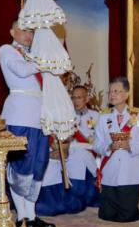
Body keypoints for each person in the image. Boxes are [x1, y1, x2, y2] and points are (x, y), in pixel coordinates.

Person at [0, 21, 57, 227]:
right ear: (12, 31)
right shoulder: (7, 50)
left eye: (31, 31)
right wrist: (46, 61)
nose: (28, 35)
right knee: (21, 164)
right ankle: (21, 215)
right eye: (23, 30)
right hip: (20, 114)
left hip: (40, 114)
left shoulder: (34, 53)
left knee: (39, 164)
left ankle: (31, 215)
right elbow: (22, 71)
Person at [93, 77, 139, 222]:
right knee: (106, 215)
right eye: (110, 91)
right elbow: (96, 143)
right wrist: (108, 147)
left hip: (130, 170)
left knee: (128, 216)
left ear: (126, 94)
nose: (112, 95)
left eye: (116, 91)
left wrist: (130, 146)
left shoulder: (138, 114)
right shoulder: (103, 116)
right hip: (110, 170)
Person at [35, 85, 101, 216]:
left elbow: (99, 139)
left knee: (79, 157)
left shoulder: (96, 116)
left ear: (87, 98)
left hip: (87, 151)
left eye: (79, 97)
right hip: (67, 151)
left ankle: (80, 193)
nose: (75, 101)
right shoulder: (65, 116)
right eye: (73, 97)